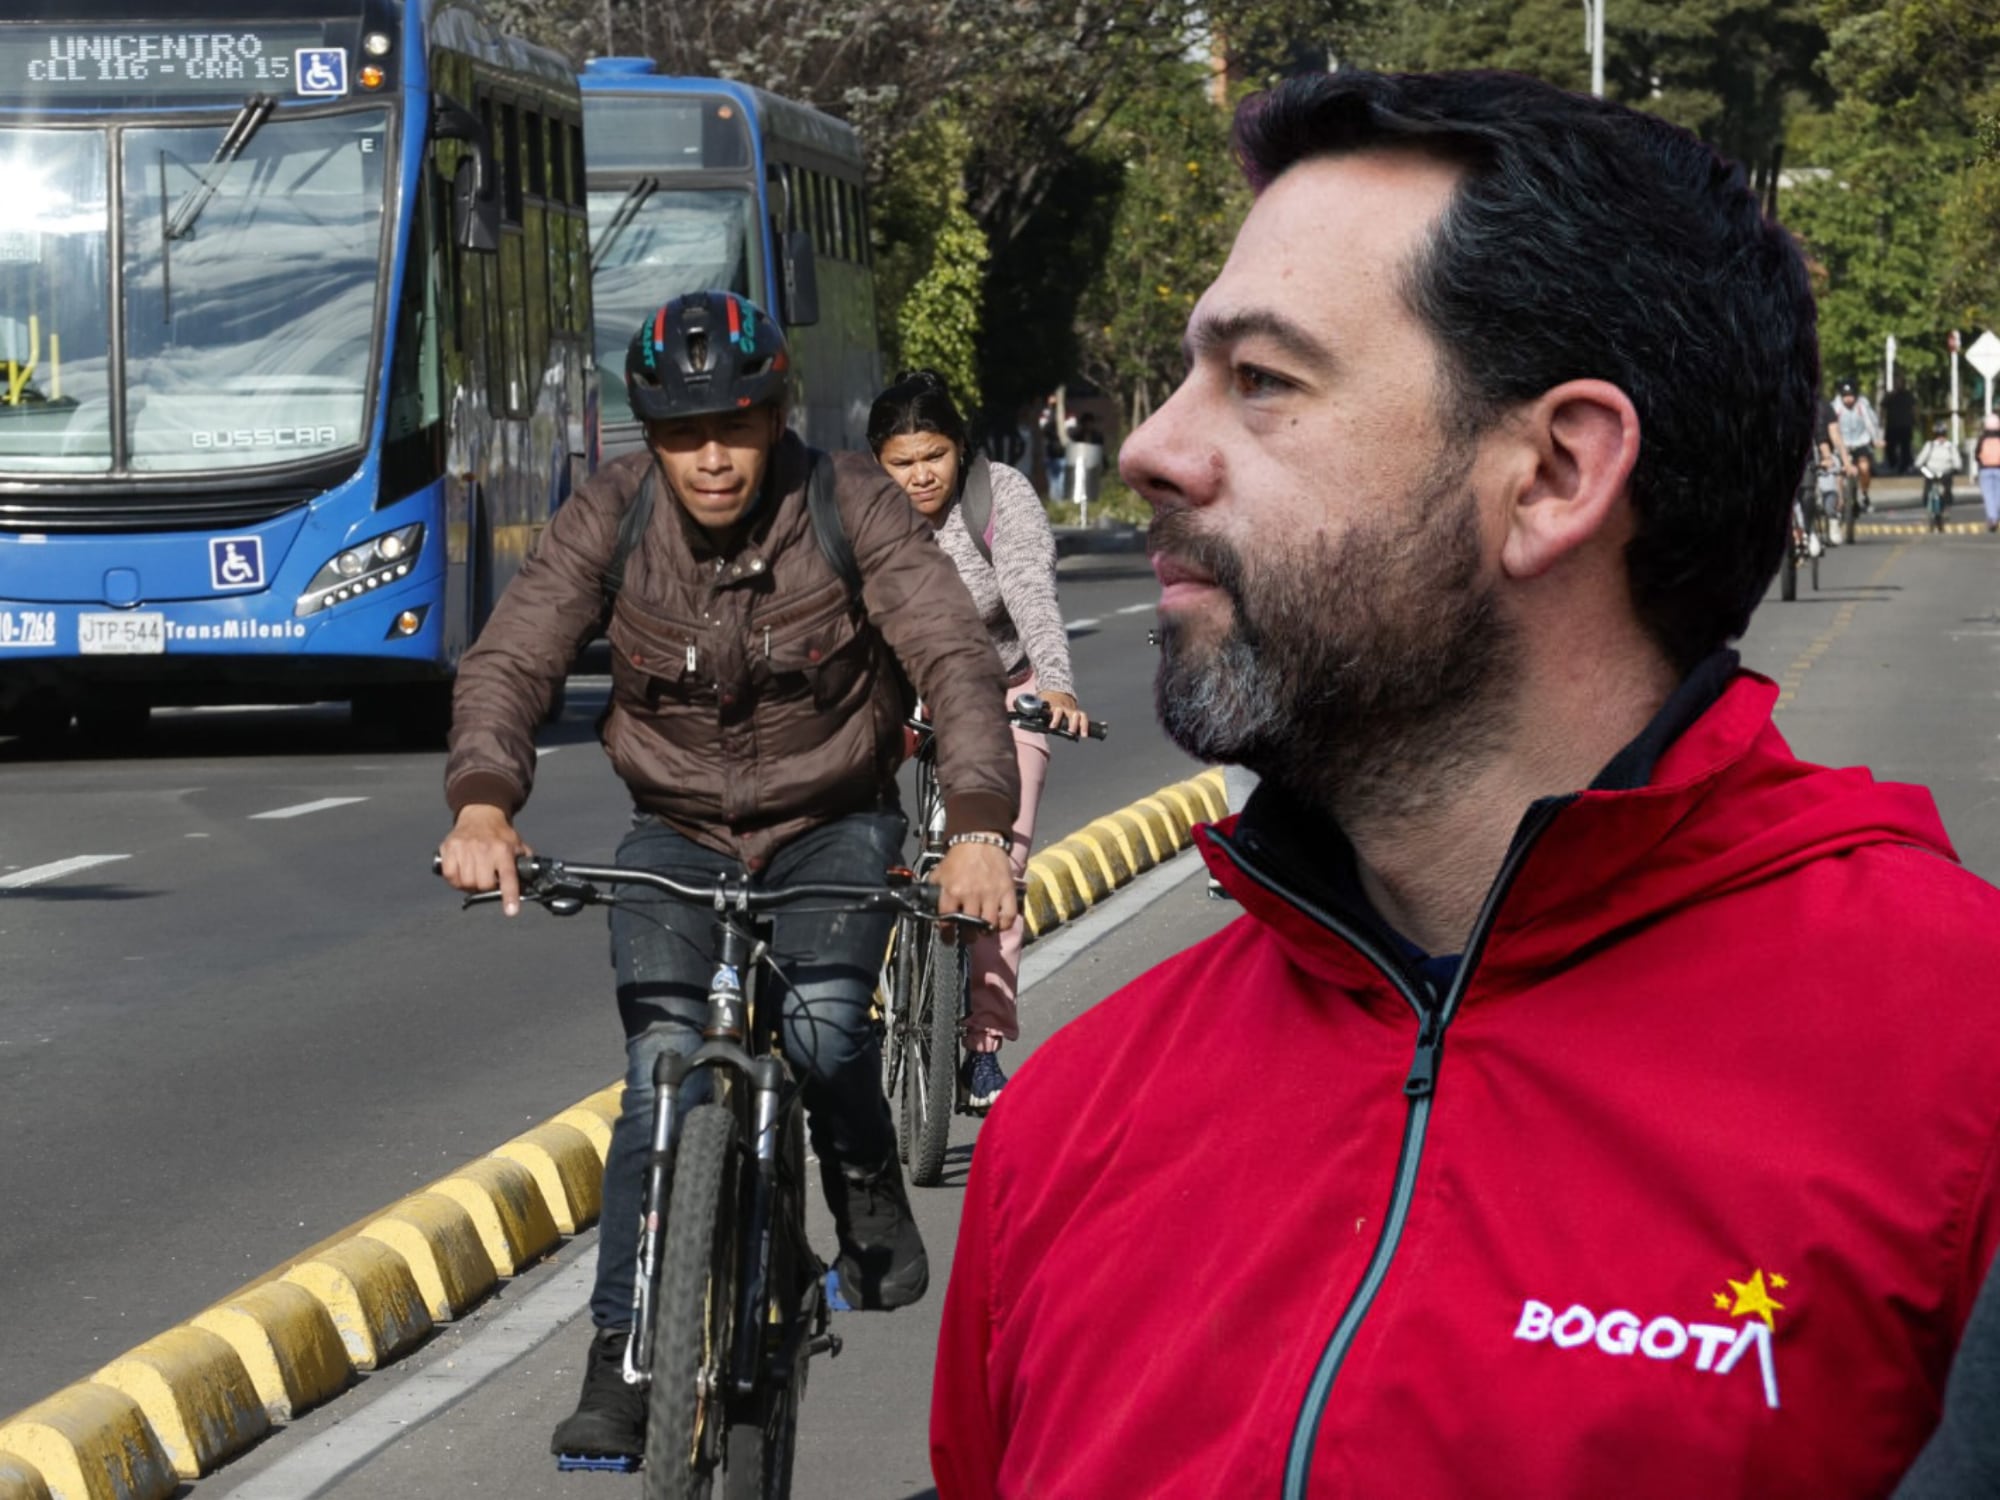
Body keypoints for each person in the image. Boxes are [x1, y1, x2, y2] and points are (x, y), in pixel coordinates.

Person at [932, 70, 2000, 1500]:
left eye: (1262, 380)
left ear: (1552, 474)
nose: (1150, 450)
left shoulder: (1959, 1078)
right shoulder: (1068, 1126)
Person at [437, 291, 1019, 1466]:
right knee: (659, 1069)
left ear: (775, 417)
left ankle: (861, 1185)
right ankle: (621, 1355)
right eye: (681, 434)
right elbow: (513, 657)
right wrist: (485, 801)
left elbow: (953, 657)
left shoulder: (848, 503)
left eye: (735, 428)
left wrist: (974, 826)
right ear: (649, 439)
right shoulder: (611, 513)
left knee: (822, 1031)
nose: (710, 458)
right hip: (676, 829)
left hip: (832, 821)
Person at [868, 369, 1090, 1109]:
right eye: (901, 463)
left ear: (959, 447)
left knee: (1002, 868)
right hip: (902, 693)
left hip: (1003, 694)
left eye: (933, 455)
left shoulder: (997, 497)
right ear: (877, 463)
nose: (920, 476)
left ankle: (981, 1047)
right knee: (841, 829)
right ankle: (860, 996)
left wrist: (1055, 687)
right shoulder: (860, 512)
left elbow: (1029, 591)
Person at [1836, 379, 1883, 510]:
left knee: (1864, 467)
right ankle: (1840, 499)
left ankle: (1864, 494)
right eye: (1845, 396)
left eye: (1851, 395)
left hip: (1861, 441)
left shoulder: (1862, 405)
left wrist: (1876, 439)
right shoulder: (1836, 406)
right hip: (1842, 444)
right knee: (1838, 472)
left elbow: (1870, 423)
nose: (1848, 399)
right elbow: (1832, 426)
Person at [1916, 419, 1958, 529]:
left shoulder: (1950, 446)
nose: (1941, 438)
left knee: (1947, 492)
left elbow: (1957, 462)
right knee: (1926, 493)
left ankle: (1946, 509)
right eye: (1938, 435)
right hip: (1931, 473)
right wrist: (1923, 469)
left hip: (1945, 473)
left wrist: (1953, 469)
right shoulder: (1930, 445)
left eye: (1943, 434)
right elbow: (1919, 461)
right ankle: (1929, 510)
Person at [1884, 380, 1916, 474]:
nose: (1899, 385)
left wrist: (1915, 419)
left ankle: (1904, 466)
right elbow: (1883, 408)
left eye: (1900, 383)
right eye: (1897, 383)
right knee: (1890, 447)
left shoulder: (1908, 395)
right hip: (1892, 425)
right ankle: (1893, 464)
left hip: (1905, 425)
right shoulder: (1889, 395)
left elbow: (1914, 408)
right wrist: (1881, 421)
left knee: (1905, 447)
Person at [1978, 414, 2000, 533]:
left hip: (1985, 470)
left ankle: (1992, 518)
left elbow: (1977, 454)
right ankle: (1995, 516)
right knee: (1998, 495)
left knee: (1988, 495)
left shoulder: (1982, 439)